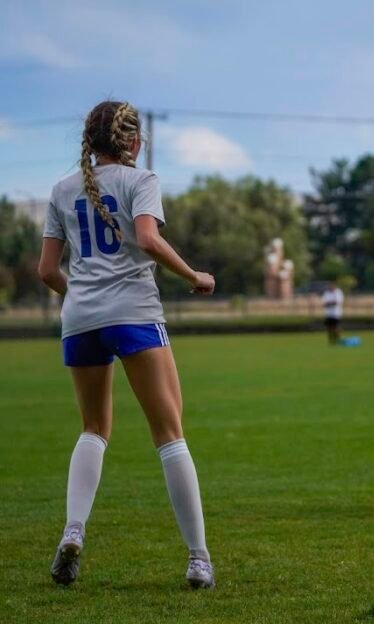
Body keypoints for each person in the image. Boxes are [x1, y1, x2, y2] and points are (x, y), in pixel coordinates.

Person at [38, 101, 216, 589]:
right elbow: (148, 239)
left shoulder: (61, 188)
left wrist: (84, 297)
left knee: (93, 429)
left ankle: (74, 530)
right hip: (134, 315)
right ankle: (198, 559)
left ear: (90, 141)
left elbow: (47, 271)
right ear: (134, 141)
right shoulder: (141, 181)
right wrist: (195, 276)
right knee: (170, 434)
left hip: (80, 320)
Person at [322, 280, 344, 345]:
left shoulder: (338, 292)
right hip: (328, 314)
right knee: (329, 328)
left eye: (332, 285)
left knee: (336, 327)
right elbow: (324, 303)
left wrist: (329, 303)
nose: (331, 286)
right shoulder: (326, 293)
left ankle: (338, 340)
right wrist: (331, 303)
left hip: (336, 313)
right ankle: (331, 341)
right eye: (330, 285)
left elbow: (337, 302)